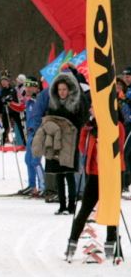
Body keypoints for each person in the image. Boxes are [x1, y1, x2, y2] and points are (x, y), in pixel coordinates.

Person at [65, 114, 126, 262]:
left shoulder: (117, 125)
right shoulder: (91, 127)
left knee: (111, 210)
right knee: (84, 210)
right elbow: (83, 149)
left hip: (111, 174)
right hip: (94, 174)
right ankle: (72, 243)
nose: (93, 110)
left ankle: (111, 244)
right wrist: (86, 131)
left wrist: (103, 135)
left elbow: (118, 148)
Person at [33, 72, 85, 215]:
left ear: (69, 90)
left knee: (69, 175)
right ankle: (62, 205)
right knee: (59, 175)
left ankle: (71, 206)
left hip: (70, 143)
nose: (62, 92)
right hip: (56, 142)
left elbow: (81, 121)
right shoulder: (53, 104)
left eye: (64, 89)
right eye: (59, 89)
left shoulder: (75, 104)